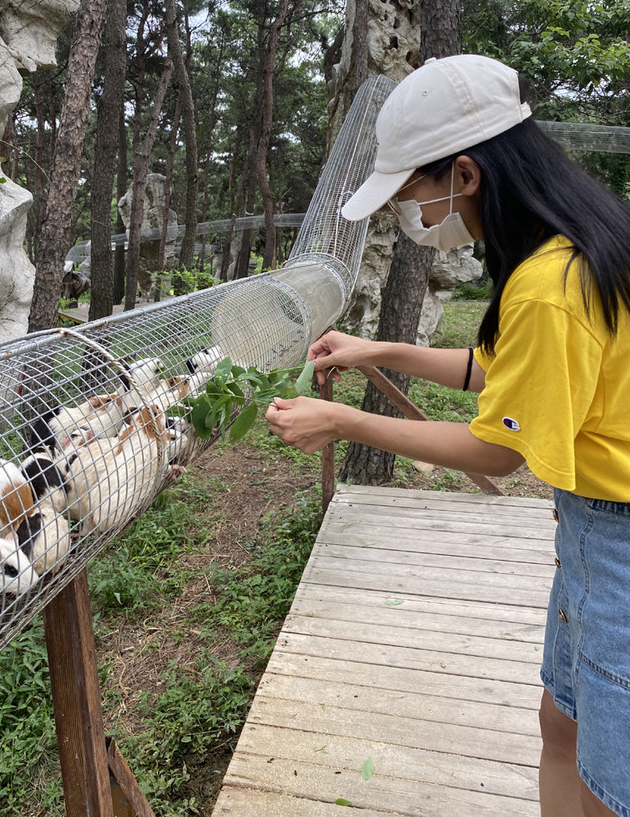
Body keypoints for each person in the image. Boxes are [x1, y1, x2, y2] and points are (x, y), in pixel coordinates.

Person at [264, 54, 630, 817]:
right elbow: (495, 369)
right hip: (592, 531)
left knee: (609, 781)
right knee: (559, 723)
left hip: (617, 540)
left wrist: (343, 419)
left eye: (413, 193)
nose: (415, 214)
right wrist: (378, 351)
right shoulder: (568, 241)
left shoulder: (547, 285)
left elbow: (502, 447)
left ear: (464, 172)